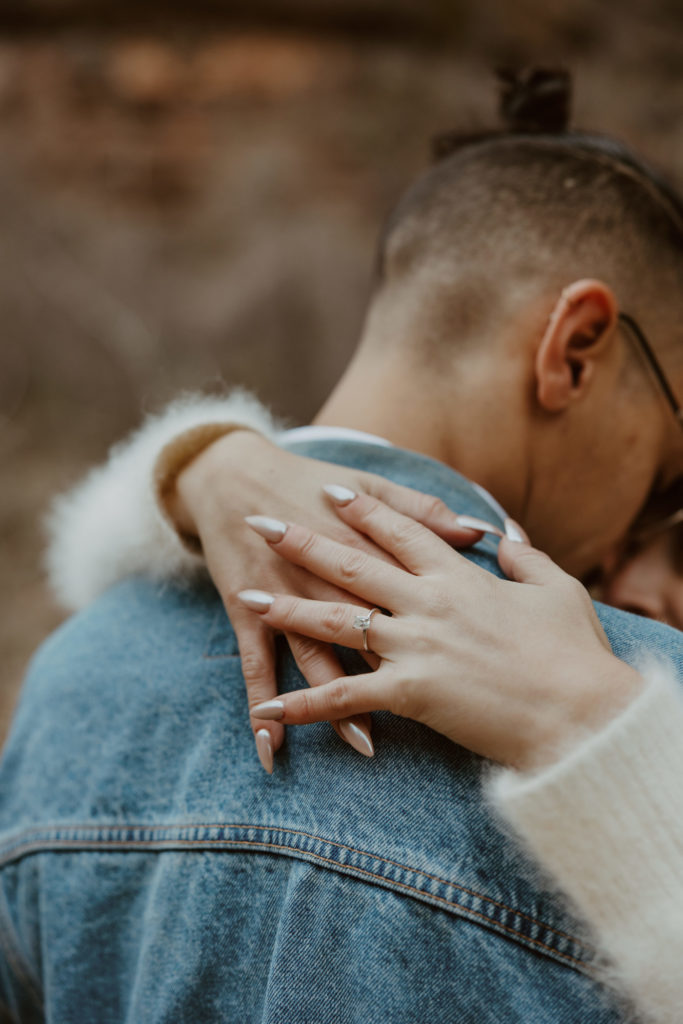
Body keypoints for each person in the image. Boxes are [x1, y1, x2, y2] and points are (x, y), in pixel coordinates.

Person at [3, 80, 683, 1022]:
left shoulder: (68, 676)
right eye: (671, 477)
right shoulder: (646, 714)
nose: (642, 538)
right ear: (575, 349)